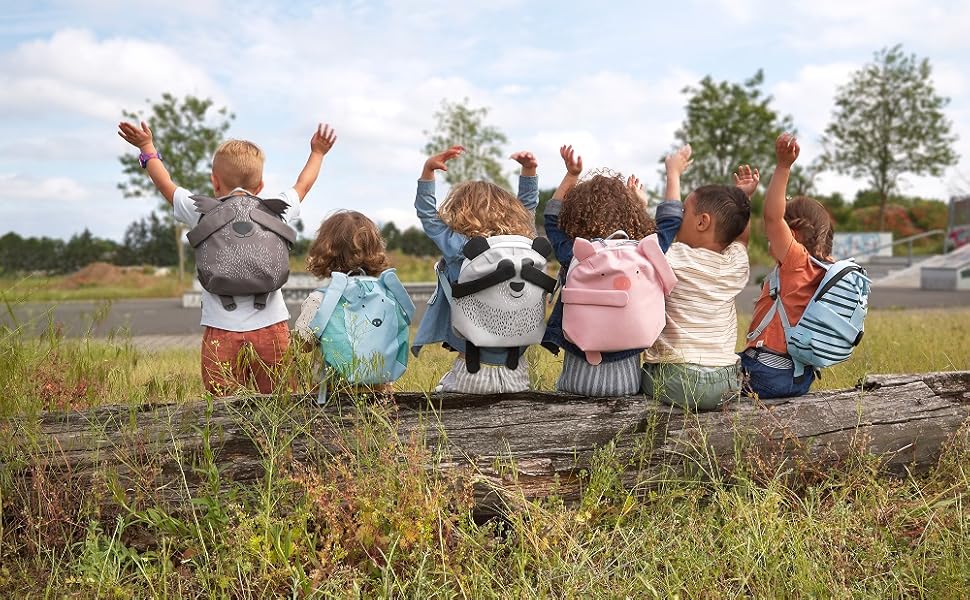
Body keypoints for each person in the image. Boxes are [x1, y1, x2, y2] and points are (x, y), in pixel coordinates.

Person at [117, 119, 337, 394]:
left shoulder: (201, 211)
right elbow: (303, 184)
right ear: (260, 186)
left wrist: (146, 147)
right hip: (271, 329)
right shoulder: (277, 209)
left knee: (223, 408)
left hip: (220, 332)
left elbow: (166, 185)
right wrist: (318, 152)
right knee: (281, 404)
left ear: (214, 181)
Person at [541, 144, 682, 395]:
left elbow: (551, 218)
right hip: (626, 382)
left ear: (575, 215)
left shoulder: (575, 253)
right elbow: (671, 220)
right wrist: (671, 175)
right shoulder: (646, 251)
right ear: (633, 214)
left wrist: (571, 175)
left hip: (577, 381)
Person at [411, 145, 541, 393]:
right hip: (518, 372)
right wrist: (529, 172)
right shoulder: (522, 246)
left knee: (443, 397)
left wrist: (428, 171)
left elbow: (427, 215)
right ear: (513, 213)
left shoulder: (458, 246)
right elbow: (528, 208)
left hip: (470, 370)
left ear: (460, 211)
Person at [642, 145, 755, 411]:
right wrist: (743, 200)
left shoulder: (674, 258)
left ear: (702, 222)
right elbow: (742, 239)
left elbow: (665, 226)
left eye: (684, 211)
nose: (678, 216)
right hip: (725, 382)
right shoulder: (735, 265)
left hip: (677, 378)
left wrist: (673, 174)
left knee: (641, 373)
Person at [742, 133, 834, 399]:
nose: (771, 236)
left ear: (792, 233)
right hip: (800, 377)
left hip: (767, 373)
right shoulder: (825, 269)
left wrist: (783, 166)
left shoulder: (797, 261)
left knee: (712, 370)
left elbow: (772, 216)